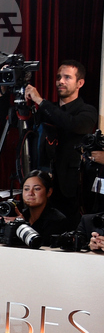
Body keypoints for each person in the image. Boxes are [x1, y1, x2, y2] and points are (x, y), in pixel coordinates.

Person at [24, 60, 98, 224]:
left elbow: (72, 124)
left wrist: (41, 102)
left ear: (80, 83)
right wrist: (1, 94)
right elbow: (21, 128)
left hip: (71, 189)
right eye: (58, 77)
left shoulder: (87, 110)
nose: (61, 81)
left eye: (67, 77)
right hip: (42, 184)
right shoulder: (46, 109)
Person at [0, 170, 68, 245]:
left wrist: (22, 226)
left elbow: (42, 247)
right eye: (26, 189)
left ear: (49, 192)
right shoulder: (21, 214)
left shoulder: (58, 220)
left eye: (37, 189)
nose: (30, 193)